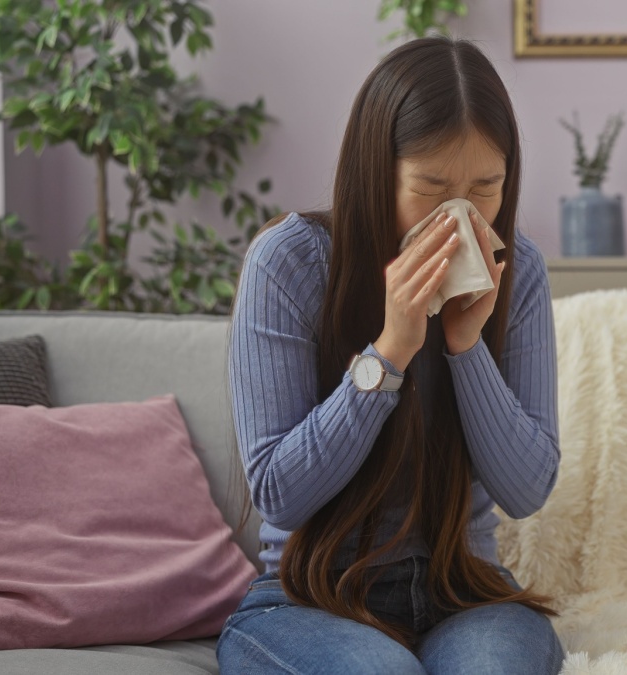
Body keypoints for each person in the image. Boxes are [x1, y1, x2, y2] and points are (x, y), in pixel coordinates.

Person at [216, 36, 565, 674]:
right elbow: (279, 494)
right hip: (309, 598)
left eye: (486, 188)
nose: (460, 216)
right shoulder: (289, 263)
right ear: (377, 172)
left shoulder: (521, 269)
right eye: (431, 189)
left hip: (465, 591)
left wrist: (466, 347)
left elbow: (526, 489)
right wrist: (391, 349)